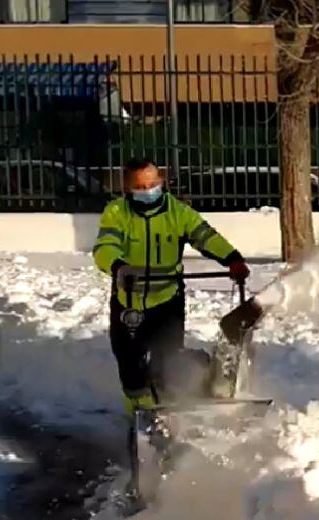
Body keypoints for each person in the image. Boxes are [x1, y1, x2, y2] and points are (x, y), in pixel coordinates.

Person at [93, 158, 250, 412]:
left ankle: (169, 407)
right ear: (128, 187)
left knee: (167, 360)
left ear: (162, 182)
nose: (147, 191)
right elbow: (105, 247)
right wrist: (118, 267)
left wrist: (232, 259)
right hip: (129, 301)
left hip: (167, 299)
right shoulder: (117, 212)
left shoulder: (178, 212)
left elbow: (206, 237)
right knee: (130, 363)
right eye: (140, 186)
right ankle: (139, 413)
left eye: (152, 184)